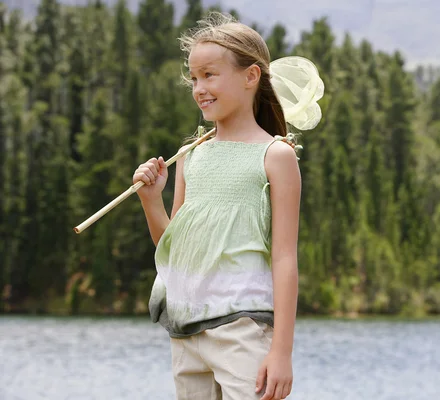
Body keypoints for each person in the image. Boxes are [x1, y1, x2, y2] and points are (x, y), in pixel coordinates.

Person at [132, 12, 301, 400]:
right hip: (186, 329)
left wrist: (281, 351)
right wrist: (150, 200)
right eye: (193, 78)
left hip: (242, 331)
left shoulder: (275, 156)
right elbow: (174, 247)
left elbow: (285, 258)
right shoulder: (192, 155)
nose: (199, 88)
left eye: (209, 75)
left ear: (251, 76)